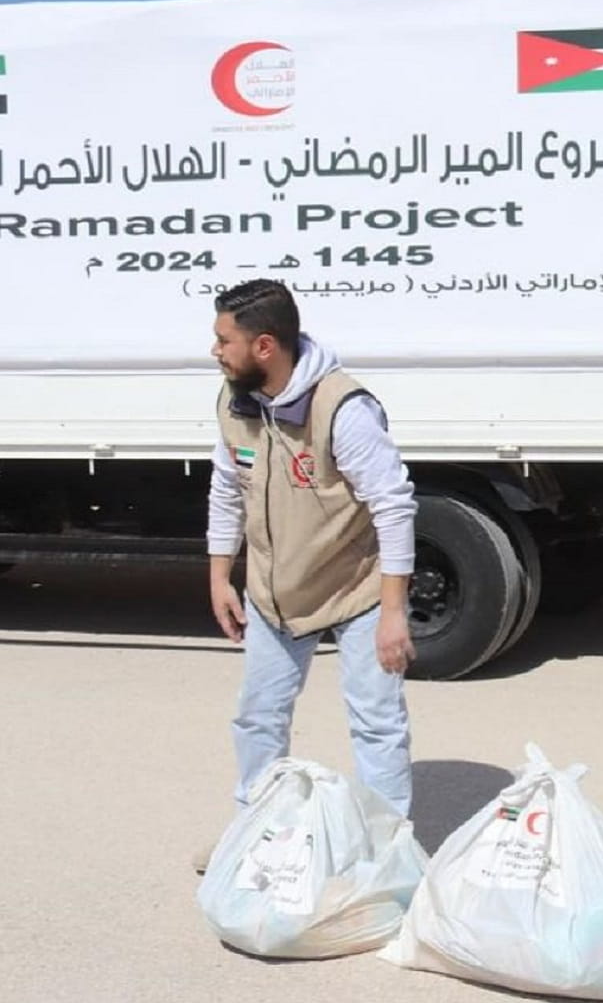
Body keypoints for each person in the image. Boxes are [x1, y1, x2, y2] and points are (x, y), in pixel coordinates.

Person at [202, 279, 418, 869]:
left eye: (225, 340)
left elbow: (394, 507)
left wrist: (393, 613)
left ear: (265, 346)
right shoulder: (233, 401)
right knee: (258, 717)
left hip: (357, 593)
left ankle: (386, 851)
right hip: (274, 594)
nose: (215, 351)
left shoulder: (342, 409)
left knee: (376, 725)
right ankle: (255, 829)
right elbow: (227, 489)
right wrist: (221, 576)